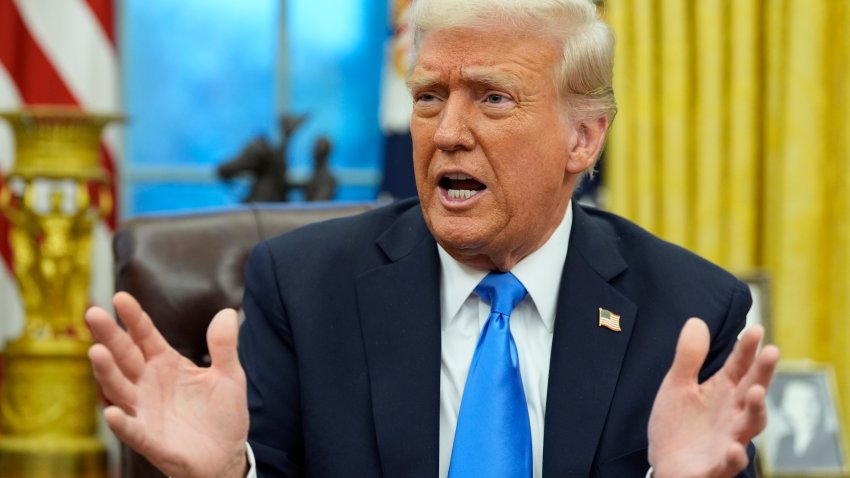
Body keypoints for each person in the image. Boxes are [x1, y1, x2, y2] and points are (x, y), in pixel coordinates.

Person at [85, 1, 780, 477]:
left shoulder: (691, 312)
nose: (447, 132)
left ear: (582, 137)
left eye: (492, 97)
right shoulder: (301, 290)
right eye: (428, 97)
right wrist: (228, 473)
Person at [773, 378, 843, 471]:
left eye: (812, 401)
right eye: (797, 402)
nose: (807, 411)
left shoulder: (834, 442)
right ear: (783, 408)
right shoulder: (784, 443)